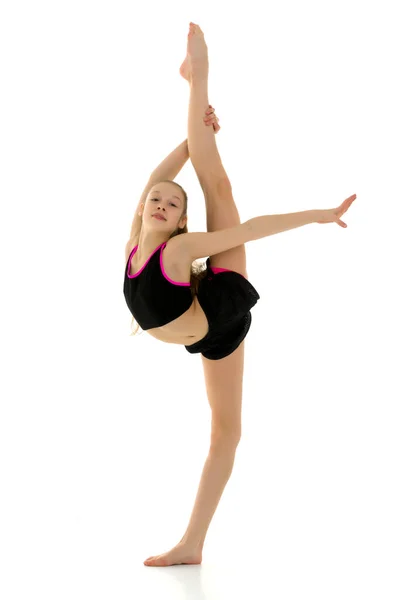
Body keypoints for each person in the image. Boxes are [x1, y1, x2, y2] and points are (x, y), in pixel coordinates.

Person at [123, 23, 357, 567]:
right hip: (195, 318)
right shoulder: (134, 239)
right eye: (155, 200)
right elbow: (156, 176)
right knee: (226, 432)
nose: (160, 203)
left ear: (181, 223)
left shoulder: (181, 252)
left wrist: (319, 216)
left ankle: (198, 78)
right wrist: (192, 136)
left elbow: (248, 229)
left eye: (171, 205)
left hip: (220, 312)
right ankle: (193, 546)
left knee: (219, 186)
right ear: (141, 208)